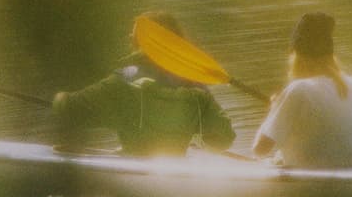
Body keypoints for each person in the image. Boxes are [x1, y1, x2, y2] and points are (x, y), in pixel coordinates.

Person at [52, 12, 236, 156]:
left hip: (133, 166)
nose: (129, 38)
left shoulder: (124, 81)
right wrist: (195, 135)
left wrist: (60, 99)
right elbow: (224, 139)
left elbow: (70, 111)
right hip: (174, 169)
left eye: (133, 36)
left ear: (139, 43)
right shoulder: (197, 87)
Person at [252, 12, 352, 168]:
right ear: (331, 56)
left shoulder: (298, 90)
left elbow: (260, 150)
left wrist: (273, 111)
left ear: (297, 57)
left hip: (308, 189)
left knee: (268, 162)